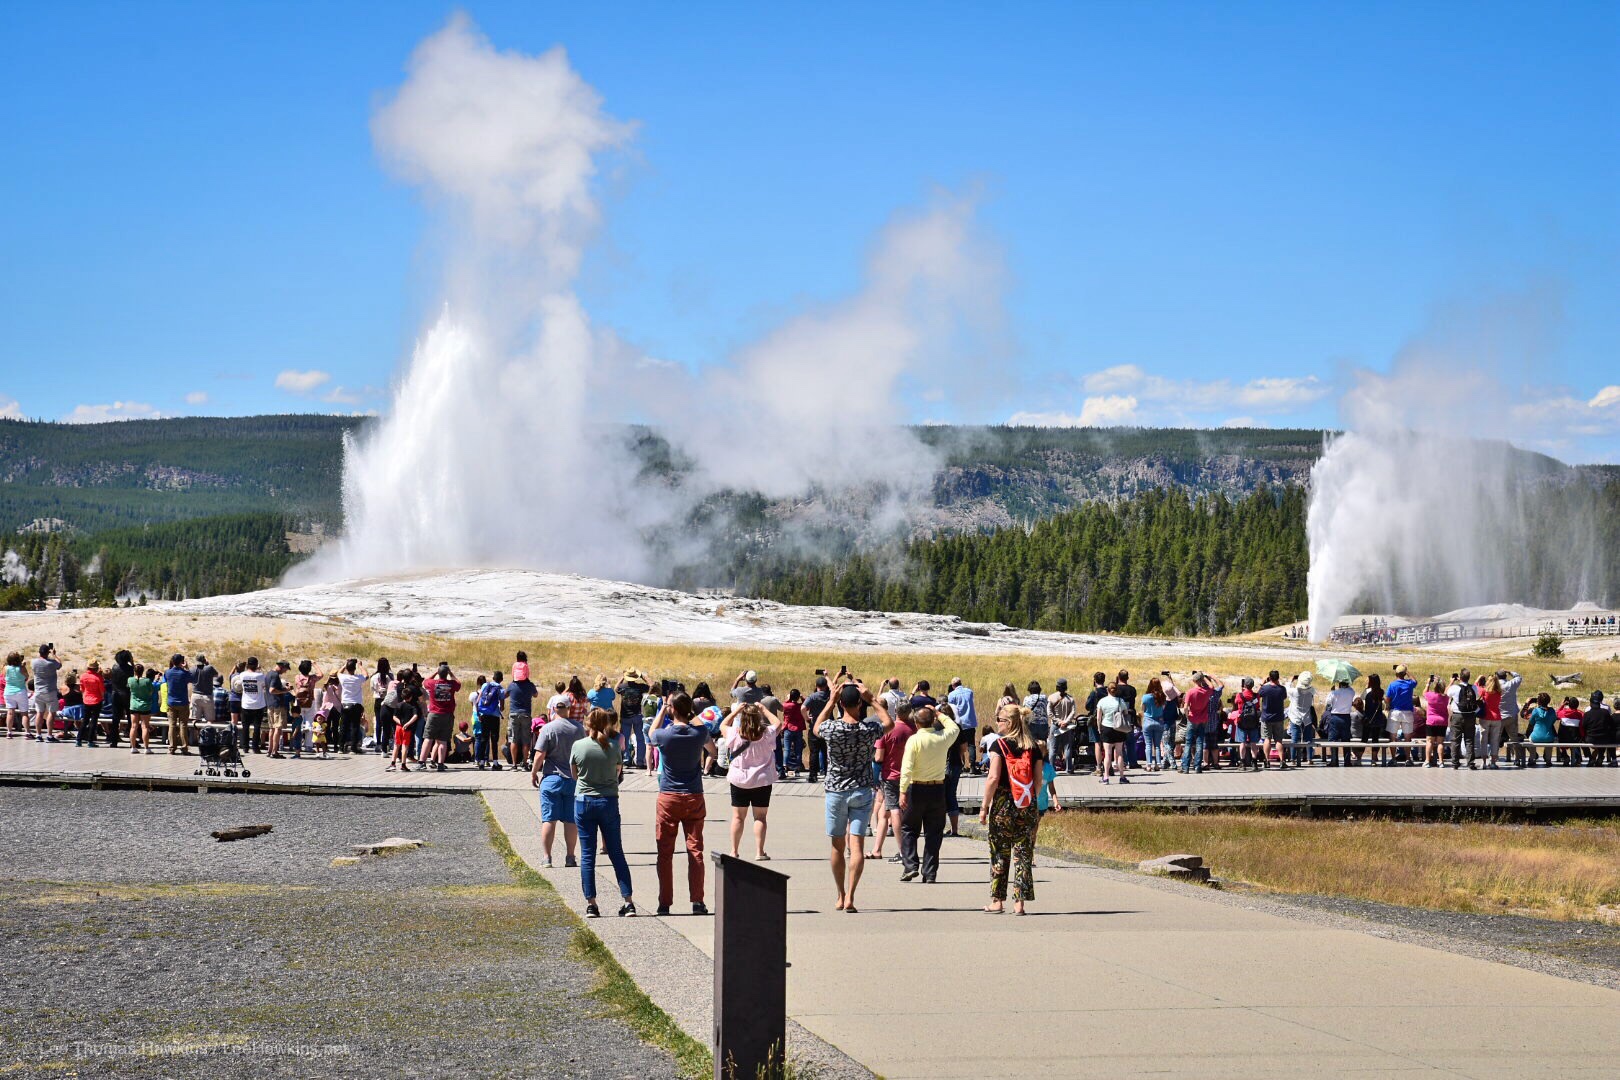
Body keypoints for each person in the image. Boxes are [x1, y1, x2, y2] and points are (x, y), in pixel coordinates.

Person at [814, 677, 890, 913]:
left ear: (840, 704)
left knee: (837, 846)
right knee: (856, 846)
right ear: (859, 704)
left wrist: (830, 701)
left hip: (836, 790)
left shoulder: (832, 728)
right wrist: (873, 699)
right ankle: (851, 896)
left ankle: (840, 894)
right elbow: (889, 723)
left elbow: (816, 727)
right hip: (862, 789)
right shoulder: (869, 728)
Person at [648, 692, 716, 915]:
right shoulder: (699, 733)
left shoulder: (665, 736)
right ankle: (697, 901)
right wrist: (691, 712)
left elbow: (650, 734)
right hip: (694, 794)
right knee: (695, 850)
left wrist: (663, 708)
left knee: (665, 852)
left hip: (669, 795)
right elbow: (712, 750)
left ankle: (664, 902)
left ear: (672, 710)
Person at [572, 707, 638, 918]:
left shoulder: (579, 746)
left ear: (588, 724)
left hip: (584, 801)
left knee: (587, 854)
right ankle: (628, 901)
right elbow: (617, 772)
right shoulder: (613, 746)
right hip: (608, 800)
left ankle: (591, 903)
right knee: (616, 852)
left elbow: (574, 774)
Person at [980, 703, 1044, 916]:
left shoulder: (1000, 745)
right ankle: (1020, 904)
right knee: (1023, 853)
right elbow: (1038, 781)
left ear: (1009, 723)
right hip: (1026, 803)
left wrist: (984, 806)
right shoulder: (1033, 747)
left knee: (999, 852)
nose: (997, 723)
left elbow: (993, 778)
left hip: (1002, 804)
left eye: (1000, 719)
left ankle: (997, 901)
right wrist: (1029, 801)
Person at [898, 703, 960, 883]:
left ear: (916, 723)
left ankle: (910, 865)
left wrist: (902, 791)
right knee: (934, 831)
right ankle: (930, 872)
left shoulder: (914, 740)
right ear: (933, 721)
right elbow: (954, 727)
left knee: (909, 828)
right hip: (937, 788)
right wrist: (939, 713)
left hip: (916, 788)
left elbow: (907, 768)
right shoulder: (942, 738)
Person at [533, 686, 587, 869]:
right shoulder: (579, 729)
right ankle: (570, 857)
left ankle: (547, 857)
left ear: (554, 708)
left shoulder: (547, 728)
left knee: (549, 819)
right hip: (573, 778)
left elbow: (540, 754)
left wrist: (533, 772)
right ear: (569, 708)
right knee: (571, 820)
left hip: (551, 778)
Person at [722, 700, 781, 860]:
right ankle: (759, 851)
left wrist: (735, 712)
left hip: (739, 780)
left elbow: (722, 725)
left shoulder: (735, 733)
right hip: (762, 780)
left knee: (738, 817)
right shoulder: (767, 733)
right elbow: (778, 723)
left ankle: (734, 851)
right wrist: (764, 709)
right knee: (760, 817)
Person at [871, 700, 915, 863]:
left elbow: (878, 756)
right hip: (909, 775)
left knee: (895, 810)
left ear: (895, 710)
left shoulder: (887, 729)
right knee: (885, 812)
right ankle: (877, 849)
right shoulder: (914, 729)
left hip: (890, 775)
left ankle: (904, 851)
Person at [422, 662, 461, 773]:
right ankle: (440, 764)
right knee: (443, 741)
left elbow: (424, 681)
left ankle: (422, 762)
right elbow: (458, 683)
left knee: (428, 738)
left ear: (439, 673)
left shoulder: (432, 683)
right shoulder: (452, 684)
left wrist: (435, 671)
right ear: (447, 673)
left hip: (434, 714)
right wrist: (451, 673)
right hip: (447, 715)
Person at [1096, 680, 1132, 782]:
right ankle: (1122, 776)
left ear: (1107, 690)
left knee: (1107, 754)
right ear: (1116, 691)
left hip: (1106, 727)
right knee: (1119, 753)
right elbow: (1125, 713)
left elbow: (1099, 717)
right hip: (1119, 728)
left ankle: (1106, 776)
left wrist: (1099, 727)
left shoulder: (1102, 701)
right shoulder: (1121, 701)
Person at [233, 658, 270, 753]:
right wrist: (259, 670)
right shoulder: (260, 676)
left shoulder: (242, 675)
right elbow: (264, 685)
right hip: (258, 704)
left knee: (245, 726)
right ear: (257, 665)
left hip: (246, 704)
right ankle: (255, 747)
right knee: (257, 727)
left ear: (247, 665)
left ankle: (245, 747)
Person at [614, 669, 649, 769]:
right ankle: (640, 761)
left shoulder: (623, 687)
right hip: (637, 715)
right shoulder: (640, 687)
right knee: (640, 739)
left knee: (624, 738)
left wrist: (621, 678)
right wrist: (643, 677)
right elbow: (652, 686)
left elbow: (615, 688)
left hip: (625, 716)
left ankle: (626, 759)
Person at [1446, 669, 1479, 770]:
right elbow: (1476, 697)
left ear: (1460, 677)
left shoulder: (1455, 688)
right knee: (1469, 740)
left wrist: (1451, 682)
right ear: (1469, 678)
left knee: (1455, 740)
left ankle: (1455, 763)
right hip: (1470, 716)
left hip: (1457, 715)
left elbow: (1446, 693)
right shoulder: (1473, 687)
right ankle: (1470, 763)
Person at [507, 664, 539, 770]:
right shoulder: (529, 685)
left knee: (514, 739)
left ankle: (514, 764)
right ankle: (525, 764)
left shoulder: (512, 685)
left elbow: (504, 695)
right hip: (525, 714)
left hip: (514, 714)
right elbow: (536, 695)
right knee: (526, 740)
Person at [473, 671, 506, 771]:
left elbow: (478, 701)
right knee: (494, 739)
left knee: (484, 738)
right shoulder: (500, 689)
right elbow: (502, 706)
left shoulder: (484, 685)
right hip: (494, 716)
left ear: (493, 677)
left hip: (484, 716)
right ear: (501, 679)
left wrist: (479, 714)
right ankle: (495, 762)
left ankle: (481, 762)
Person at [1386, 666, 1418, 766]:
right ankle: (1408, 759)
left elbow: (1387, 698)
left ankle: (1393, 758)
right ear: (1404, 674)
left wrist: (1387, 705)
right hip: (1407, 712)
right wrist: (1407, 670)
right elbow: (1415, 680)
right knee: (1408, 738)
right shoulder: (1409, 684)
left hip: (1395, 711)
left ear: (1396, 674)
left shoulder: (1392, 685)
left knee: (1393, 737)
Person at [161, 653, 192, 754]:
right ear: (181, 662)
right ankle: (184, 747)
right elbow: (191, 678)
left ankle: (172, 747)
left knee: (172, 725)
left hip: (171, 702)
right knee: (183, 725)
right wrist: (186, 668)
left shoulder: (167, 673)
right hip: (183, 702)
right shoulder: (184, 673)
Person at [946, 677, 978, 773]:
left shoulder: (951, 695)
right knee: (971, 745)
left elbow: (950, 708)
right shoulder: (969, 691)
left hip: (959, 723)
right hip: (970, 722)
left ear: (953, 685)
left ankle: (960, 766)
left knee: (958, 745)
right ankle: (972, 766)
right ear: (961, 683)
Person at [804, 675, 831, 784]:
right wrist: (827, 676)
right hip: (827, 727)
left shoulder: (813, 697)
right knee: (826, 752)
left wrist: (807, 719)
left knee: (814, 752)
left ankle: (813, 775)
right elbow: (833, 687)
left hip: (814, 726)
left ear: (816, 686)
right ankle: (827, 773)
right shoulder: (830, 696)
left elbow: (803, 708)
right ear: (826, 686)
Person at [337, 659, 368, 755]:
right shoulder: (358, 678)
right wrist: (360, 666)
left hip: (345, 704)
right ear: (354, 669)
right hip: (355, 705)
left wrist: (344, 665)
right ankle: (354, 748)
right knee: (355, 726)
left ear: (347, 668)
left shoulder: (343, 678)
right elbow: (366, 675)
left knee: (343, 726)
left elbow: (338, 672)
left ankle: (341, 747)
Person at [1048, 679, 1078, 775]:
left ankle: (1052, 770)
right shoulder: (1070, 699)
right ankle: (1069, 769)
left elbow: (1049, 712)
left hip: (1055, 726)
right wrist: (1066, 722)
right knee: (1067, 747)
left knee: (1053, 748)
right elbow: (1073, 712)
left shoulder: (1052, 697)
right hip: (1067, 727)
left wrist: (1058, 721)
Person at [1286, 672, 1314, 767]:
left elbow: (1287, 688)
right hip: (1306, 718)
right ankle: (1310, 759)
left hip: (1295, 718)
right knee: (1308, 739)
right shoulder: (1311, 691)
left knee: (1294, 739)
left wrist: (1291, 680)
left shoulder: (1294, 692)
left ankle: (1293, 759)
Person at [1422, 675, 1450, 768]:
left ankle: (1427, 761)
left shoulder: (1430, 695)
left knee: (1429, 741)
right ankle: (1441, 761)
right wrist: (1450, 682)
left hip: (1431, 721)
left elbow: (1424, 692)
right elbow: (1446, 692)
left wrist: (1428, 683)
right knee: (1440, 742)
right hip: (1442, 721)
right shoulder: (1445, 697)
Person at [1324, 679, 1354, 766]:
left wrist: (1332, 691)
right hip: (1346, 716)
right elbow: (1351, 690)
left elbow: (1328, 703)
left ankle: (1334, 760)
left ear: (1339, 683)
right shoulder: (1351, 692)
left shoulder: (1334, 693)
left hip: (1335, 716)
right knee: (1346, 739)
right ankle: (1347, 761)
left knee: (1333, 739)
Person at [127, 663, 156, 754]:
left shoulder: (130, 680)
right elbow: (151, 691)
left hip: (134, 705)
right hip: (145, 705)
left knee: (133, 726)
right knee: (145, 727)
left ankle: (133, 746)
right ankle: (146, 748)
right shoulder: (147, 681)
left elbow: (129, 687)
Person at [1140, 678, 1168, 771]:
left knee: (1148, 744)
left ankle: (1148, 765)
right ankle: (1158, 763)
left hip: (1148, 721)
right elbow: (1163, 708)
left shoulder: (1146, 697)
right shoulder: (1162, 696)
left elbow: (1142, 709)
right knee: (1157, 744)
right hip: (1159, 721)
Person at [76, 660, 105, 746]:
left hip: (86, 699)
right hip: (96, 700)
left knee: (85, 721)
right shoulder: (98, 677)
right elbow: (102, 691)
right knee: (94, 721)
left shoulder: (83, 676)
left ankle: (79, 739)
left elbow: (82, 689)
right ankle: (90, 741)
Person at [1479, 673, 1504, 769]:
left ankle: (1483, 762)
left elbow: (1476, 688)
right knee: (1494, 741)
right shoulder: (1499, 692)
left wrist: (1478, 680)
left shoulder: (1484, 691)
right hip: (1497, 717)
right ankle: (1493, 762)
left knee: (1483, 740)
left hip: (1485, 717)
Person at [1584, 691, 1616, 766]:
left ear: (1591, 703)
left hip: (1590, 738)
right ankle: (1600, 756)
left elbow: (1584, 725)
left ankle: (1591, 758)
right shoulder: (1606, 711)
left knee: (1581, 740)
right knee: (1604, 737)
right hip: (1604, 737)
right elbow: (1611, 724)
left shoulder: (1587, 712)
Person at [1525, 692, 1558, 766]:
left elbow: (1531, 722)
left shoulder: (1535, 711)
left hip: (1536, 737)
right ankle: (1548, 759)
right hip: (1548, 737)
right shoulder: (1552, 711)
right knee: (1550, 741)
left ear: (1538, 701)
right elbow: (1553, 721)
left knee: (1531, 740)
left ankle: (1532, 758)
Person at [780, 689, 807, 780]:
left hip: (788, 729)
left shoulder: (787, 705)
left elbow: (783, 705)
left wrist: (788, 699)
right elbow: (807, 704)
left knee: (787, 749)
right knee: (798, 750)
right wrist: (802, 697)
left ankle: (784, 767)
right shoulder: (800, 706)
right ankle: (797, 769)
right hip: (798, 729)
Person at [371, 658, 394, 754]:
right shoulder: (390, 676)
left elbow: (372, 689)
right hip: (387, 701)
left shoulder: (374, 676)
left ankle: (378, 744)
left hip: (378, 700)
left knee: (378, 722)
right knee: (387, 723)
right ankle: (387, 744)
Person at [190, 655, 220, 727]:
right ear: (204, 660)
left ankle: (195, 737)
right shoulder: (209, 668)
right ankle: (208, 735)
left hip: (195, 696)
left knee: (195, 719)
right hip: (207, 696)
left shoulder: (192, 669)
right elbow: (216, 675)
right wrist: (208, 664)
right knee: (209, 720)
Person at [1555, 695, 1585, 766]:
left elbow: (1557, 714)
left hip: (1563, 739)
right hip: (1575, 739)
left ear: (1568, 704)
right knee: (1577, 736)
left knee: (1562, 727)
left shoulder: (1563, 712)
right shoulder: (1580, 714)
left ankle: (1565, 755)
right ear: (1577, 705)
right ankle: (1577, 758)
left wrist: (1562, 705)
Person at [3, 651, 26, 738]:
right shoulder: (21, 668)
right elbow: (26, 677)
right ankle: (27, 732)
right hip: (20, 691)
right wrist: (22, 666)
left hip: (9, 691)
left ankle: (9, 732)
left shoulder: (5, 668)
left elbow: (5, 676)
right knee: (24, 713)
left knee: (10, 713)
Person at [1022, 680, 1049, 750]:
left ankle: (1034, 759)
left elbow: (1025, 711)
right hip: (1043, 724)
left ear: (1029, 690)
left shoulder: (1027, 699)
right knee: (1043, 744)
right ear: (1039, 689)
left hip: (1031, 724)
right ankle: (1043, 759)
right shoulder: (1044, 697)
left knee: (1032, 744)